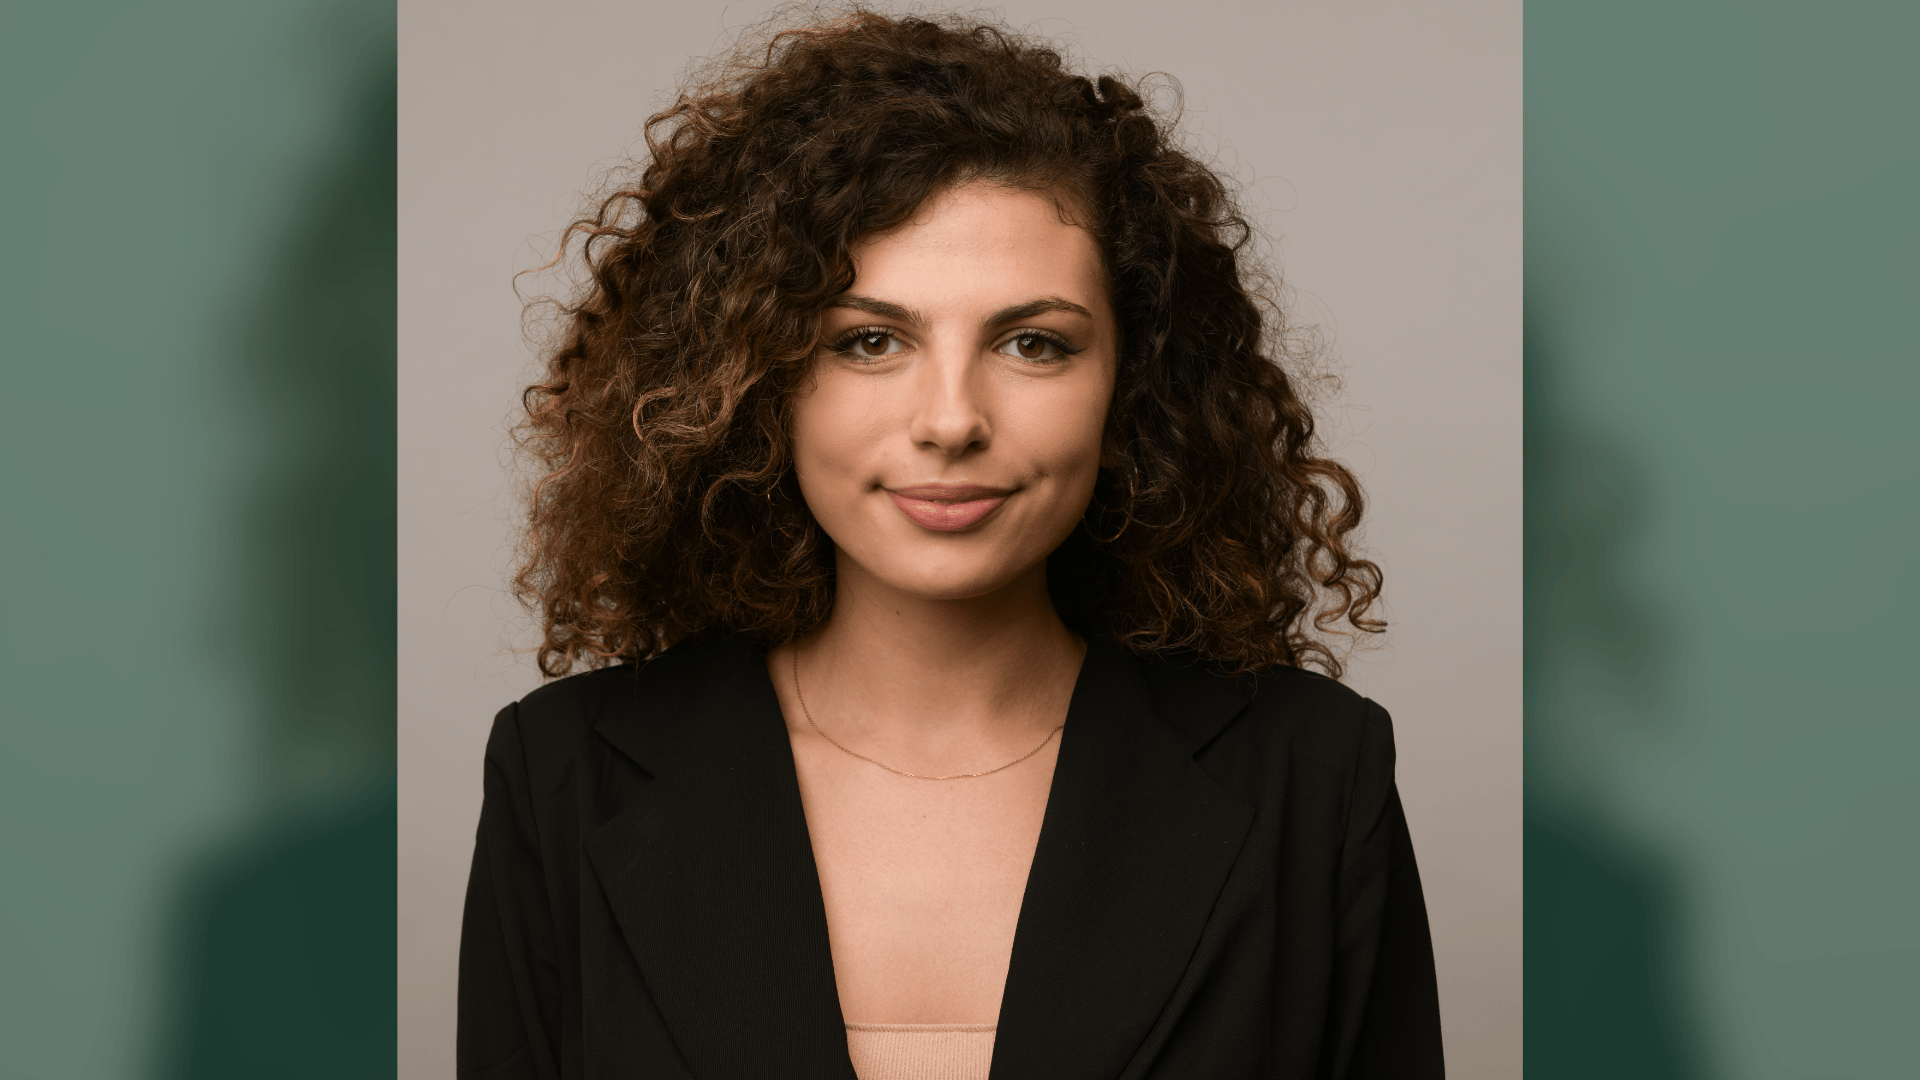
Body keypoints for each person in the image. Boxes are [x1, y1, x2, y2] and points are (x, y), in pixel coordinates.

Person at [458, 10, 1442, 1079]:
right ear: (753, 381)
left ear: (1136, 386)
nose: (951, 419)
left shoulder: (1314, 778)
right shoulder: (563, 779)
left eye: (1034, 344)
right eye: (870, 341)